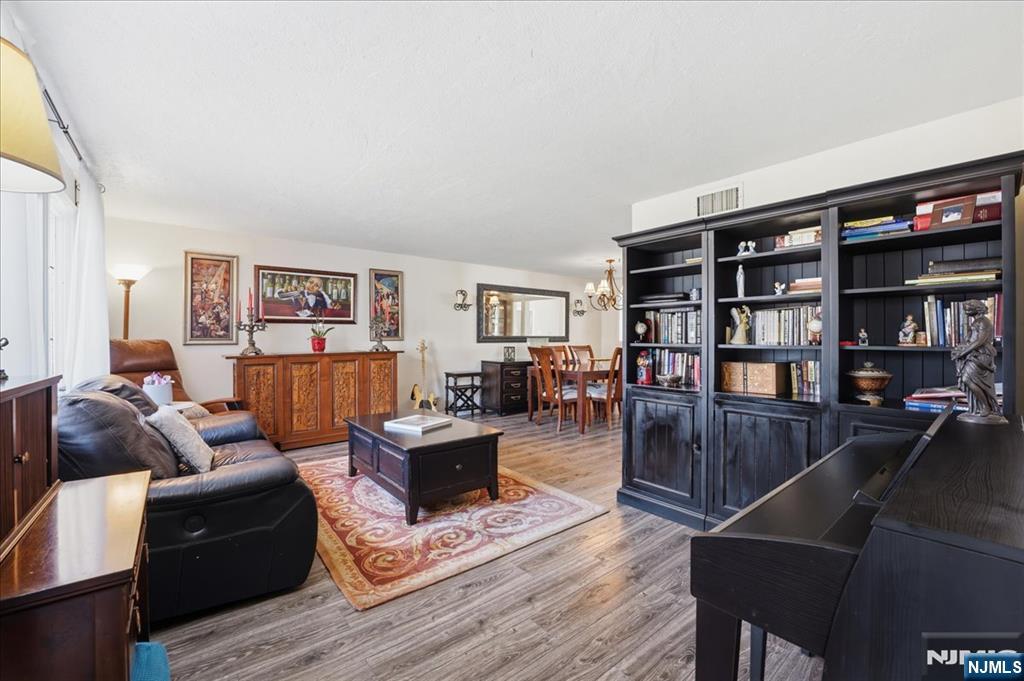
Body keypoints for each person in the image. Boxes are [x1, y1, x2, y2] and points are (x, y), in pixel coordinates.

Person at [951, 299, 1002, 420]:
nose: (966, 311)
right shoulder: (975, 322)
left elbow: (980, 341)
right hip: (972, 354)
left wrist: (964, 352)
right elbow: (970, 340)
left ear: (977, 308)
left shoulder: (984, 322)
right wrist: (960, 349)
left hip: (981, 355)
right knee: (967, 379)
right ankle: (977, 408)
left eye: (968, 308)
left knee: (967, 379)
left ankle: (986, 406)